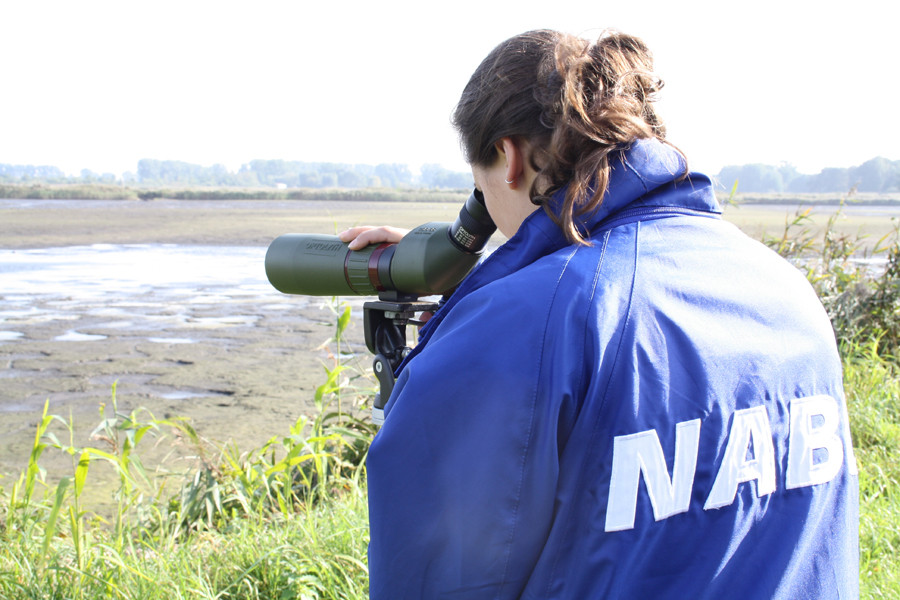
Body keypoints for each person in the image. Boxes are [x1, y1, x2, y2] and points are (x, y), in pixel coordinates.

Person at [341, 29, 859, 599]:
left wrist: (478, 324)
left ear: (509, 158)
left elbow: (432, 578)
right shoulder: (785, 291)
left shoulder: (524, 329)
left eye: (479, 189)